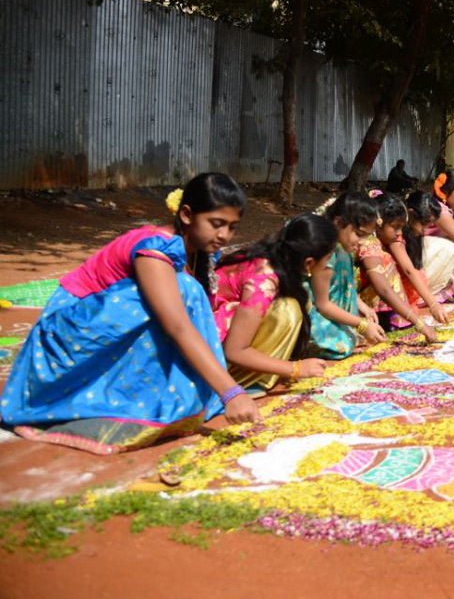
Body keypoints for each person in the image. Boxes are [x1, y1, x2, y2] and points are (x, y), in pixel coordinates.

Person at [0, 173, 259, 454]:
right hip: (69, 334)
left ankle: (155, 395)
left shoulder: (199, 252)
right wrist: (230, 391)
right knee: (182, 291)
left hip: (101, 324)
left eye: (232, 227)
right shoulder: (155, 249)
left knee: (185, 293)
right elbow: (178, 327)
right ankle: (123, 399)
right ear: (187, 215)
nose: (224, 235)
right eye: (216, 224)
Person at [213, 213, 335, 392]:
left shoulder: (277, 258)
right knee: (287, 310)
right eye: (328, 258)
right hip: (212, 355)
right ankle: (243, 381)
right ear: (309, 263)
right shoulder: (264, 281)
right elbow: (234, 350)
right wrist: (295, 369)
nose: (329, 264)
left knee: (299, 302)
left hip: (223, 338)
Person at [306, 193, 387, 359]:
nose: (362, 242)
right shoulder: (326, 254)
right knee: (341, 347)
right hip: (316, 316)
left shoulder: (344, 249)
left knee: (354, 339)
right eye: (359, 234)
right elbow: (322, 305)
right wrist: (362, 325)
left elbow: (347, 284)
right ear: (337, 223)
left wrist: (363, 307)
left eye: (366, 236)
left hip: (334, 312)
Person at [356, 193, 438, 342]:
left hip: (354, 297)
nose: (400, 233)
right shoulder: (369, 243)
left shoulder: (376, 240)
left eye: (401, 228)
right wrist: (419, 322)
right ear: (379, 223)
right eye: (395, 227)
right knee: (386, 261)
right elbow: (384, 289)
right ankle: (389, 319)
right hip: (348, 299)